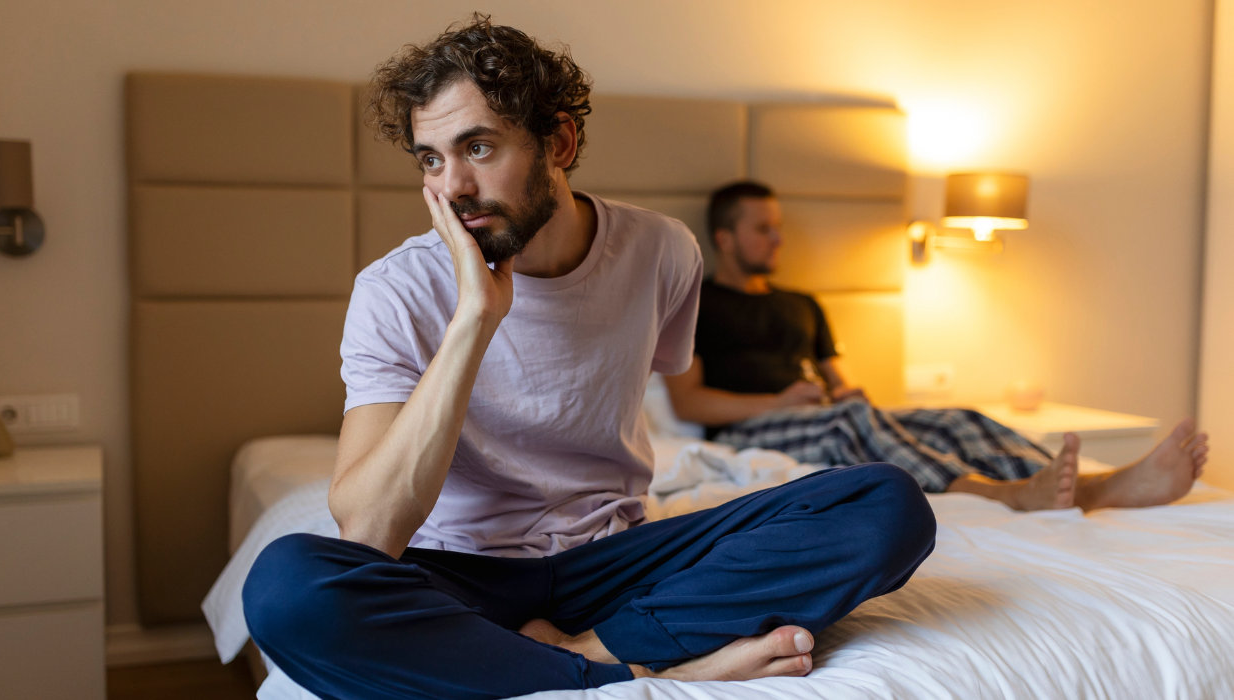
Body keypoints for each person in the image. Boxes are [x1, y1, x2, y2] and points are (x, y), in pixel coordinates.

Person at [240, 17, 936, 700]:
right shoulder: (394, 290)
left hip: (613, 563)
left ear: (560, 142)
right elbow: (367, 532)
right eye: (431, 158)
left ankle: (593, 648)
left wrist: (599, 625)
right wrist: (473, 321)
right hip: (454, 575)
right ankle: (638, 673)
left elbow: (664, 395)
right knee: (285, 588)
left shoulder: (662, 252)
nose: (450, 187)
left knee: (886, 504)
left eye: (477, 148)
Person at [665, 180, 1211, 512]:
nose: (778, 239)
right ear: (725, 238)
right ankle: (1005, 495)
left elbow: (841, 381)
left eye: (779, 227)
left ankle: (1081, 481)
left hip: (827, 411)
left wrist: (845, 391)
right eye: (764, 229)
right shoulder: (696, 303)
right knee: (849, 421)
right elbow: (688, 402)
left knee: (958, 418)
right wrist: (780, 402)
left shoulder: (804, 302)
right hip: (749, 426)